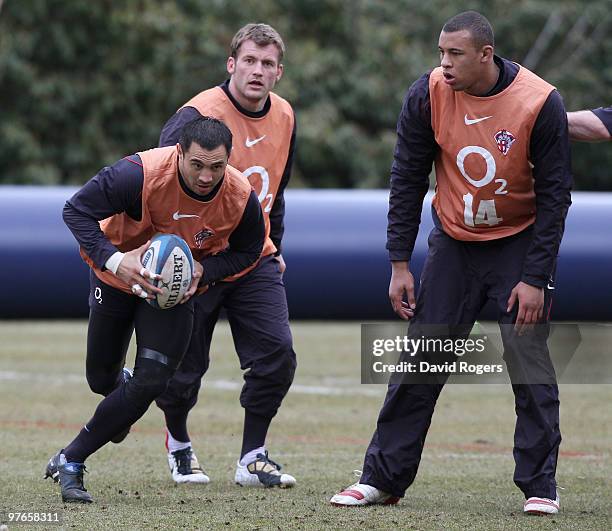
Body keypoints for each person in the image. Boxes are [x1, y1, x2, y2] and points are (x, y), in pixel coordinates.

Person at [330, 11, 572, 516]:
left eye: (454, 54)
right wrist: (399, 261)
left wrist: (536, 278)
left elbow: (555, 200)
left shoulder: (540, 102)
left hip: (518, 246)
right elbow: (406, 177)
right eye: (440, 53)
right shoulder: (427, 94)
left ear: (486, 54)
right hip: (454, 245)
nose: (443, 64)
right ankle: (382, 479)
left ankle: (540, 486)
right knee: (420, 361)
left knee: (528, 365)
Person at [44, 116, 265, 503]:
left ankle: (72, 458)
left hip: (172, 294)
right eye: (196, 164)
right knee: (101, 380)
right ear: (179, 153)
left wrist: (205, 269)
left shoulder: (240, 196)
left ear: (228, 161)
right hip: (115, 280)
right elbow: (76, 211)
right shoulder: (137, 174)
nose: (206, 176)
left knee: (153, 380)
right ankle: (120, 398)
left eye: (217, 167)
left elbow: (249, 251)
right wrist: (116, 261)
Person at [155, 23, 297, 488]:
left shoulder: (286, 116)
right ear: (231, 64)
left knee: (277, 354)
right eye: (250, 61)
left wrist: (276, 246)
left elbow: (277, 189)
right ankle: (178, 445)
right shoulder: (196, 115)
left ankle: (253, 457)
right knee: (183, 371)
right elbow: (158, 185)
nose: (258, 71)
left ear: (279, 71)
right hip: (195, 259)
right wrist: (167, 258)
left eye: (268, 63)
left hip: (253, 259)